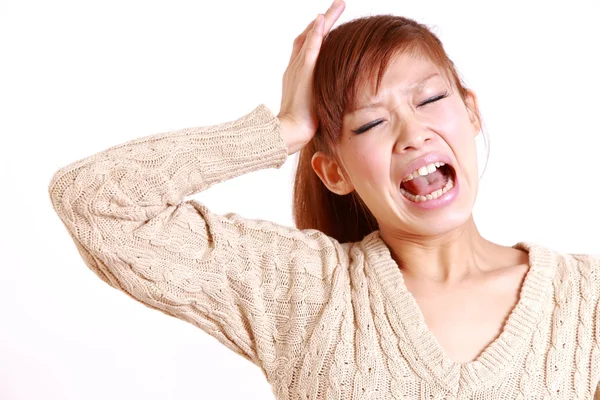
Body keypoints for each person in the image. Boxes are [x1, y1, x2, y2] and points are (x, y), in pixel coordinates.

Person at [48, 0, 600, 398]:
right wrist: (282, 130)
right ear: (333, 171)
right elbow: (93, 201)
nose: (413, 133)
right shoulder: (303, 290)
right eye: (371, 124)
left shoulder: (586, 301)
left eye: (430, 98)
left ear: (472, 110)